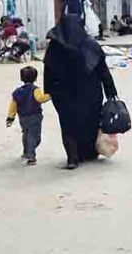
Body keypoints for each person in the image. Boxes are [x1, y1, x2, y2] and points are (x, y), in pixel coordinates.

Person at [44, 14, 118, 169]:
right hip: (90, 96)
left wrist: (50, 91)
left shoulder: (55, 46)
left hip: (64, 96)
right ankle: (88, 153)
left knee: (68, 125)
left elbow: (48, 71)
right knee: (89, 123)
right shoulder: (90, 45)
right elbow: (103, 71)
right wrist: (111, 91)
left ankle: (72, 157)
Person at [6, 66, 51, 166]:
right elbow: (40, 99)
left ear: (21, 78)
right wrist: (50, 95)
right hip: (34, 116)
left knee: (26, 134)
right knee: (34, 136)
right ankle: (31, 156)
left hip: (23, 117)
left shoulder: (17, 92)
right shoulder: (35, 90)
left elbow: (13, 106)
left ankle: (26, 151)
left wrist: (10, 117)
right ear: (35, 78)